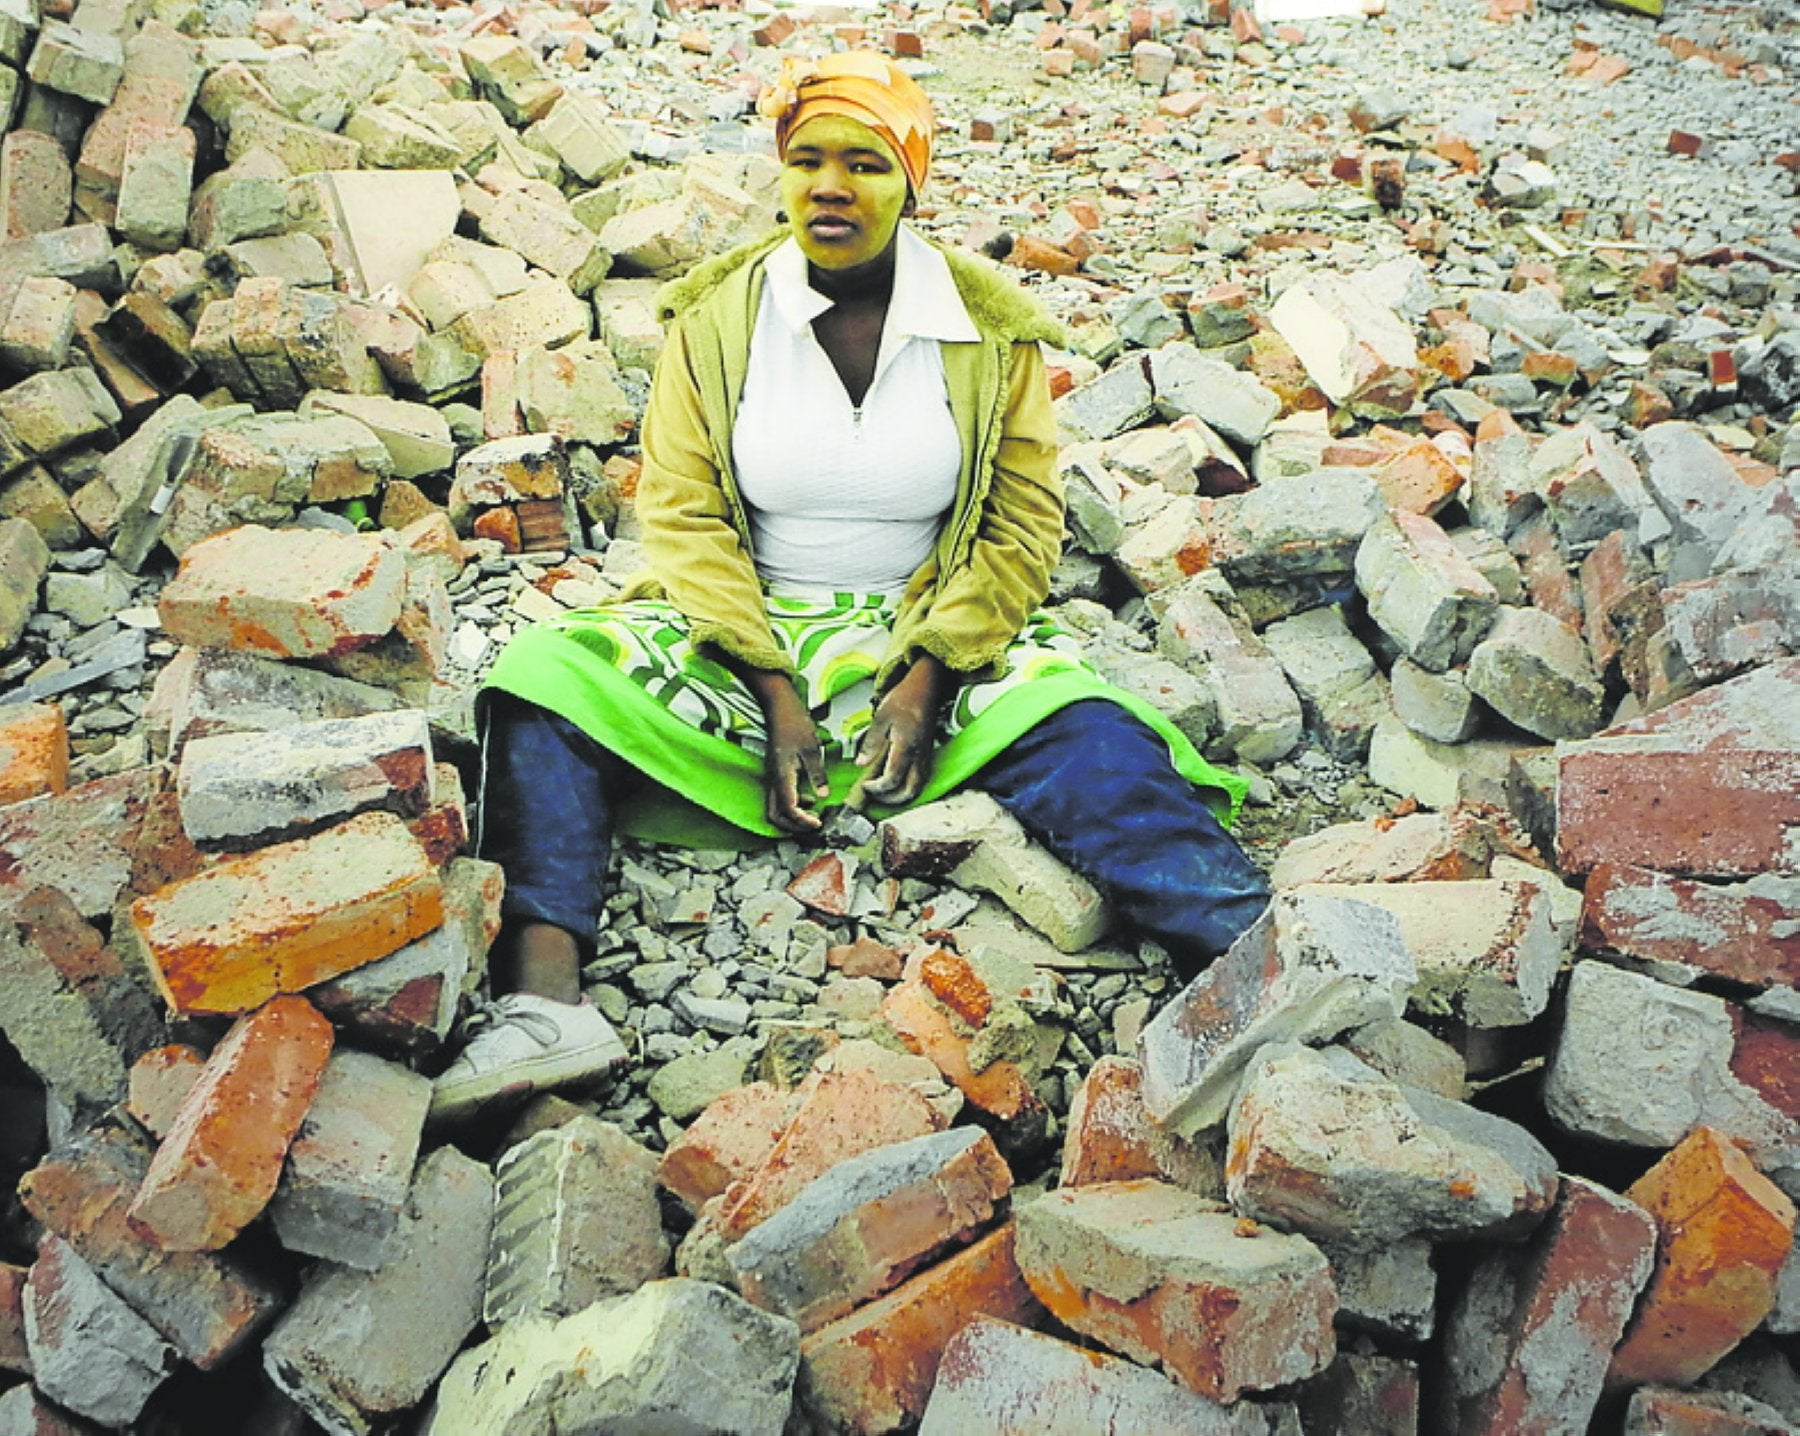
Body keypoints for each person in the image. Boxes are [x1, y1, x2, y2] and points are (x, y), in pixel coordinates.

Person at [430, 53, 1271, 1122]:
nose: (832, 186)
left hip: (929, 624)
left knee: (1091, 732)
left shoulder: (987, 329)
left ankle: (1257, 949)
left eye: (865, 163)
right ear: (780, 172)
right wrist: (777, 691)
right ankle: (544, 1004)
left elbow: (1019, 523)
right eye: (809, 159)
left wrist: (925, 680)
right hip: (745, 622)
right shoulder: (716, 318)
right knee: (543, 675)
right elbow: (684, 518)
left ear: (910, 183)